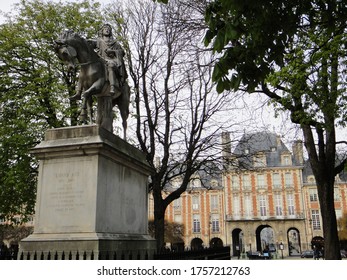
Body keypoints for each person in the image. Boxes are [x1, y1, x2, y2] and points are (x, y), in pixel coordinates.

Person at [94, 23, 127, 98]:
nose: (107, 30)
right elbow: (89, 43)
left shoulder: (115, 43)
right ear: (102, 31)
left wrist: (113, 52)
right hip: (101, 61)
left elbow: (122, 52)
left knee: (111, 65)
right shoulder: (99, 41)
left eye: (108, 29)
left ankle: (112, 86)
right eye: (105, 29)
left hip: (112, 61)